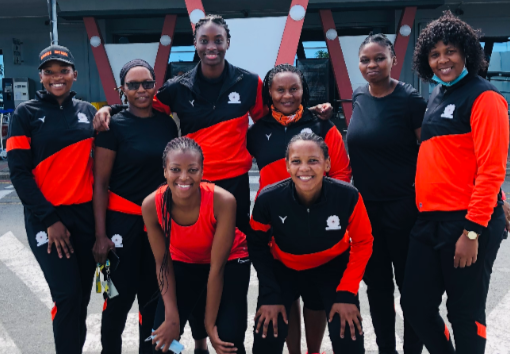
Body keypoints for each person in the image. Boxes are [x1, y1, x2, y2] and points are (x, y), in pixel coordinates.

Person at [94, 16, 331, 351]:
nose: (211, 47)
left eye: (217, 39)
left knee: (226, 267)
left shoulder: (249, 84)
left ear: (227, 43)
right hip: (189, 189)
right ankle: (197, 337)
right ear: (196, 44)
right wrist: (112, 109)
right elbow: (144, 102)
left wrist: (315, 114)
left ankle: (213, 333)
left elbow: (278, 113)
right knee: (186, 269)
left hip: (232, 189)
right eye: (204, 40)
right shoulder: (178, 88)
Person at [401, 11, 509, 354]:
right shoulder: (436, 96)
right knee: (415, 305)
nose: (442, 60)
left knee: (464, 313)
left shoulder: (485, 97)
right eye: (434, 54)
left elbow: (493, 169)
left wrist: (473, 231)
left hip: (466, 223)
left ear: (466, 52)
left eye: (450, 51)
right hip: (428, 220)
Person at [247, 63, 351, 354]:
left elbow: (341, 175)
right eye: (280, 89)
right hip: (275, 231)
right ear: (269, 92)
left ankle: (313, 351)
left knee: (315, 300)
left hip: (318, 228)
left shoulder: (322, 126)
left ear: (304, 89)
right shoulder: (257, 132)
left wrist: (326, 211)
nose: (287, 95)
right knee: (285, 295)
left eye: (294, 88)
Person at [7, 45, 97, 353]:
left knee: (81, 298)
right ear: (40, 77)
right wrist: (51, 220)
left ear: (74, 74)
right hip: (48, 220)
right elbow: (19, 174)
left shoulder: (88, 112)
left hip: (85, 218)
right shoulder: (25, 115)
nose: (57, 78)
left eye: (63, 71)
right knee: (67, 295)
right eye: (49, 72)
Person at [248, 132, 373, 354]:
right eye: (296, 161)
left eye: (313, 161)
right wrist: (269, 293)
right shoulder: (268, 199)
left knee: (349, 337)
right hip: (284, 267)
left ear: (327, 164)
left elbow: (363, 241)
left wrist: (347, 292)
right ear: (287, 166)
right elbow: (257, 245)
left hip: (332, 266)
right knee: (267, 333)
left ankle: (314, 351)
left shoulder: (347, 196)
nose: (304, 168)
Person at [346, 33, 426, 354]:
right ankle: (386, 350)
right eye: (365, 60)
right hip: (366, 213)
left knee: (411, 291)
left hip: (405, 211)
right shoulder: (358, 96)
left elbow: (430, 153)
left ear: (393, 59)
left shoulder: (410, 100)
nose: (372, 65)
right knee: (377, 289)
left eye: (379, 58)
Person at [92, 59, 178, 354]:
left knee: (153, 300)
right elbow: (100, 185)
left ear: (155, 86)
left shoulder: (167, 123)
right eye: (133, 85)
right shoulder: (110, 126)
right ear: (121, 89)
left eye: (147, 84)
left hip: (157, 225)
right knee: (113, 299)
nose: (141, 90)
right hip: (118, 228)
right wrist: (99, 236)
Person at [142, 137, 250, 354]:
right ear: (164, 171)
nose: (184, 177)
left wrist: (210, 326)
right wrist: (172, 317)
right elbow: (162, 263)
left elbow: (216, 269)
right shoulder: (151, 205)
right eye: (175, 169)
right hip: (184, 260)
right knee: (160, 343)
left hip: (229, 261)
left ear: (202, 171)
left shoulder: (223, 201)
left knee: (227, 340)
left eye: (192, 169)